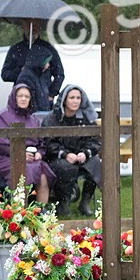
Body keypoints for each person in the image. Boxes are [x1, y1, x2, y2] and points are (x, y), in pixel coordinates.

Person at [0, 83, 55, 203]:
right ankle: (20, 209)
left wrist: (39, 153)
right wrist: (20, 154)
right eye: (20, 96)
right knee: (23, 171)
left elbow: (41, 142)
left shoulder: (33, 120)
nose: (23, 99)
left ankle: (42, 210)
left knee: (43, 174)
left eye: (26, 96)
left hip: (29, 159)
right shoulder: (2, 116)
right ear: (14, 97)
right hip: (2, 157)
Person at [43, 85, 101, 217]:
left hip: (81, 156)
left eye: (78, 98)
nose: (75, 101)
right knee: (66, 168)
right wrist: (65, 154)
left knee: (95, 163)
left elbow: (95, 141)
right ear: (64, 100)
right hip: (57, 158)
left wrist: (85, 153)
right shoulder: (52, 118)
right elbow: (48, 143)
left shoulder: (86, 118)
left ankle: (85, 203)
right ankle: (63, 203)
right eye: (72, 98)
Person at [1, 20, 64, 113]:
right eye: (28, 24)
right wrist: (22, 70)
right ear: (23, 26)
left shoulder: (48, 49)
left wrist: (51, 94)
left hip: (44, 100)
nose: (33, 27)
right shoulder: (15, 49)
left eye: (36, 24)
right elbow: (5, 74)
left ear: (40, 26)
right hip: (21, 100)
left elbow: (59, 74)